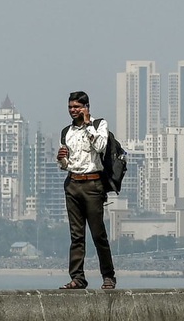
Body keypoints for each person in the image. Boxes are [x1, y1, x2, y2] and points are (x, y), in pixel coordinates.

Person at [56, 91, 116, 290]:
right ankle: (77, 278)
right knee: (76, 235)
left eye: (77, 107)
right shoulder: (67, 132)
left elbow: (100, 146)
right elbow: (65, 165)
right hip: (72, 183)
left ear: (86, 107)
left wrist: (88, 123)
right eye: (70, 107)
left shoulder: (99, 125)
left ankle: (108, 276)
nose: (73, 111)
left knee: (98, 234)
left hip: (93, 184)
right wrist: (61, 158)